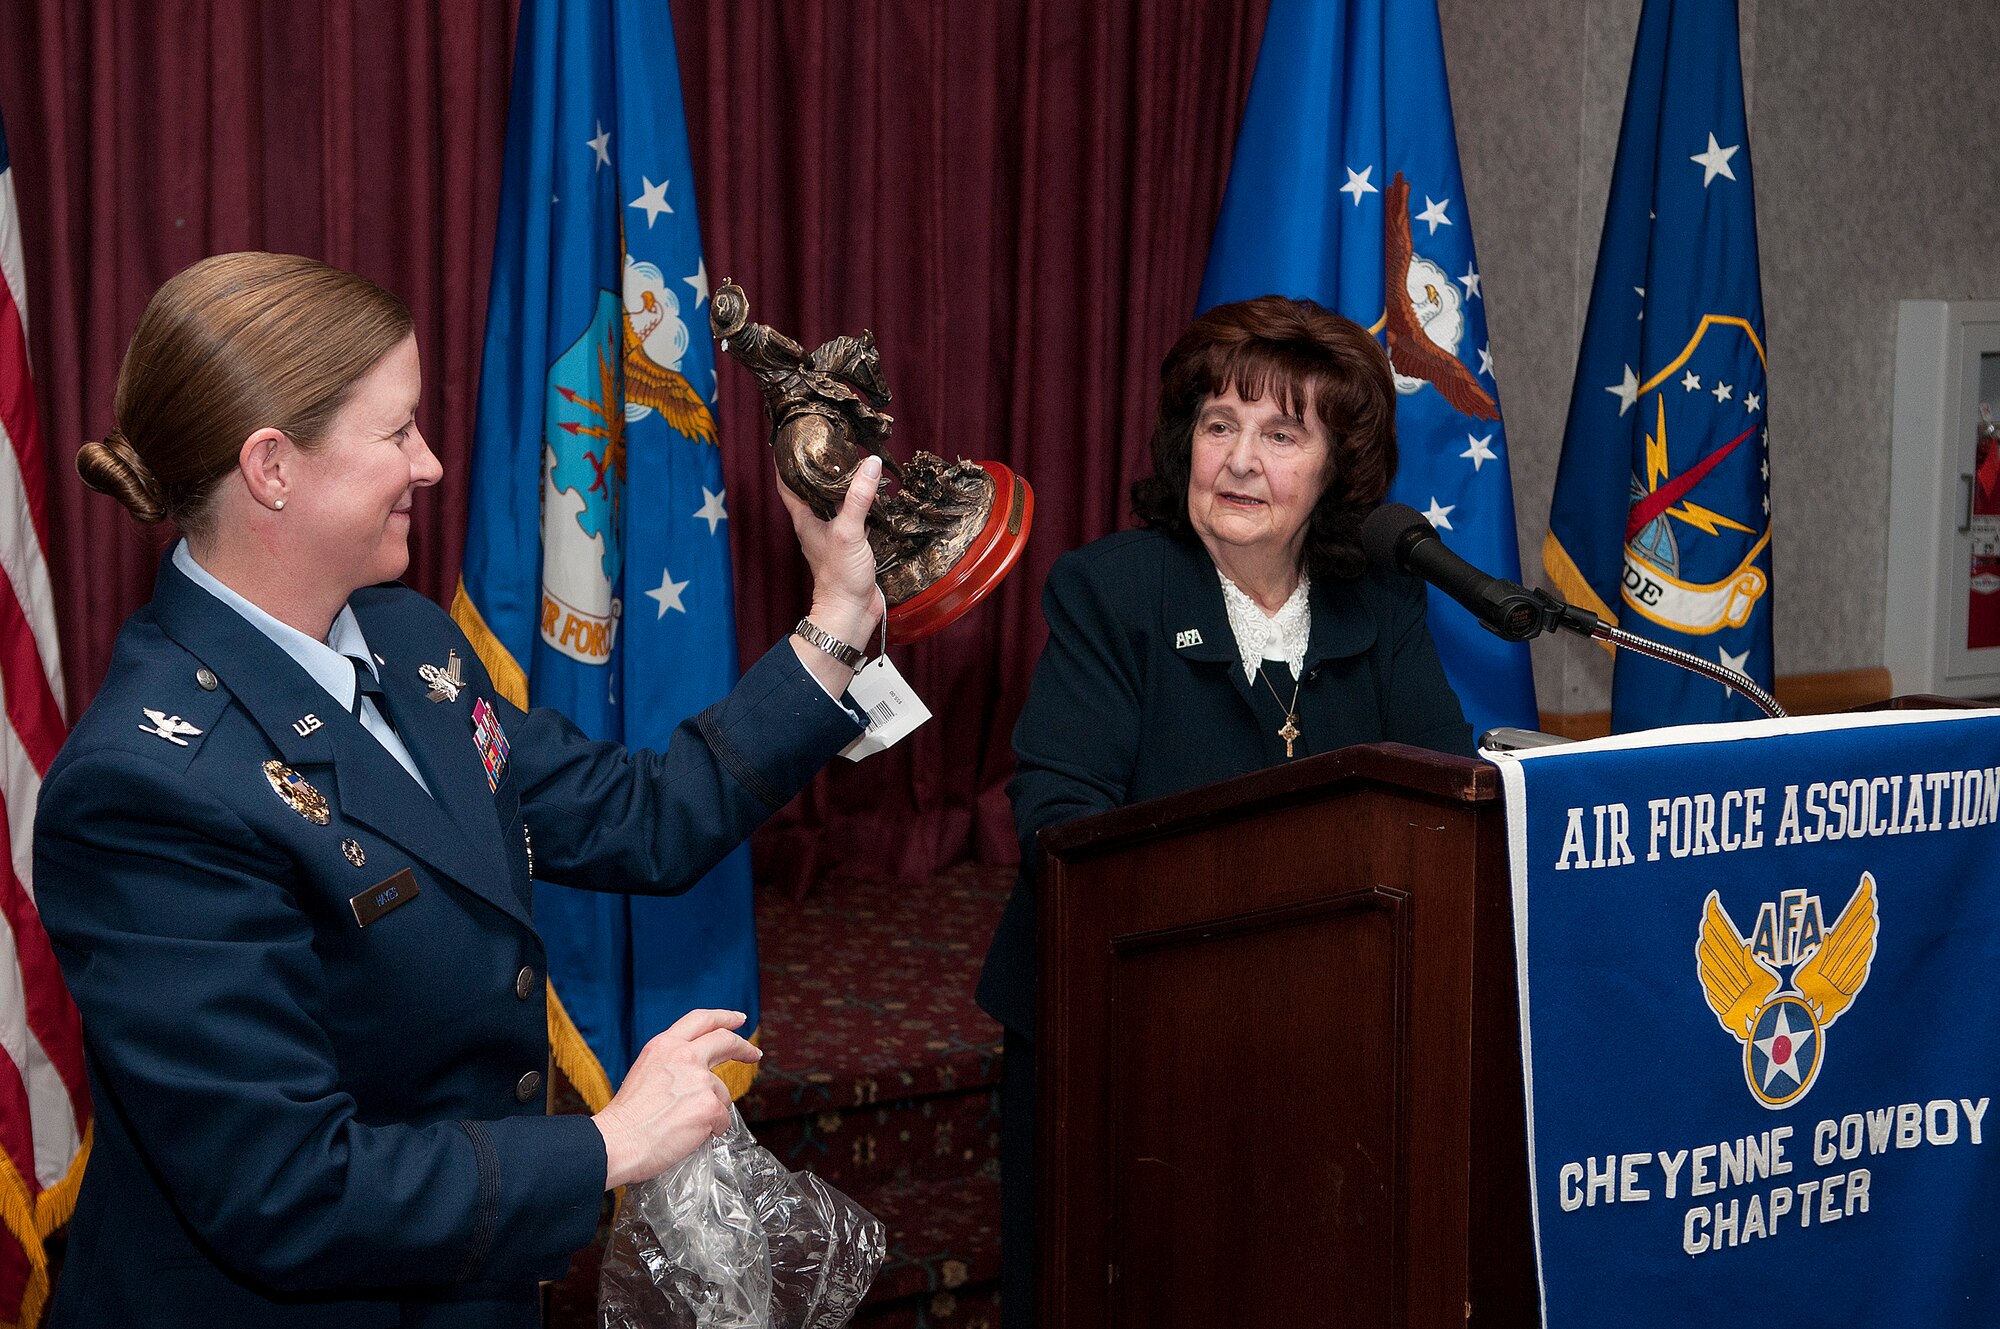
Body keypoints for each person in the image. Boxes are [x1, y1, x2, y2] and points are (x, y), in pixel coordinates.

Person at [35, 252, 886, 1329]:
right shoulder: (146, 790)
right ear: (272, 468)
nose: (431, 464)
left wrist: (839, 617)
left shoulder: (403, 634)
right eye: (396, 433)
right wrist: (606, 1146)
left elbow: (638, 817)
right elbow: (289, 1188)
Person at [974, 295, 1475, 1326]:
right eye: (1218, 426)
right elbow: (1056, 826)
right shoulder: (1111, 591)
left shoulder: (1378, 605)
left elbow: (1442, 806)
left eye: (1281, 435)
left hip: (1330, 1040)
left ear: (1336, 467)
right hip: (1119, 1039)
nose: (1239, 461)